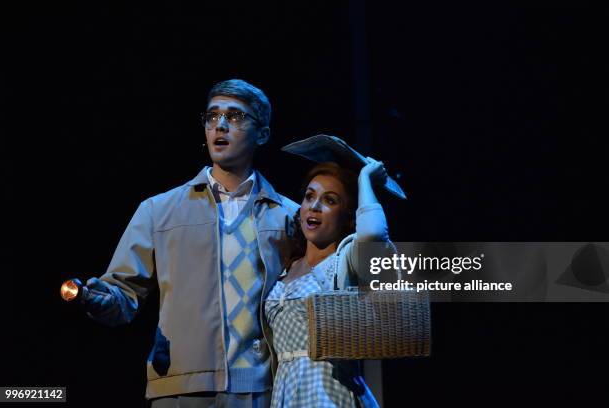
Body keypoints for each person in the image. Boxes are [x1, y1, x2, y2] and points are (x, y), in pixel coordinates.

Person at [80, 79, 298, 407]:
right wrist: (101, 299)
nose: (220, 125)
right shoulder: (159, 210)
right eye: (212, 117)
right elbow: (122, 296)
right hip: (180, 388)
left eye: (236, 117)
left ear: (263, 134)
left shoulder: (289, 216)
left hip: (262, 390)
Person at [265, 159, 389, 407]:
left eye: (330, 200)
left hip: (329, 394)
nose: (315, 206)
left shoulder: (345, 263)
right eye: (309, 197)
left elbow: (374, 233)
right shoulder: (285, 267)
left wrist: (364, 178)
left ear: (348, 218)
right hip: (286, 394)